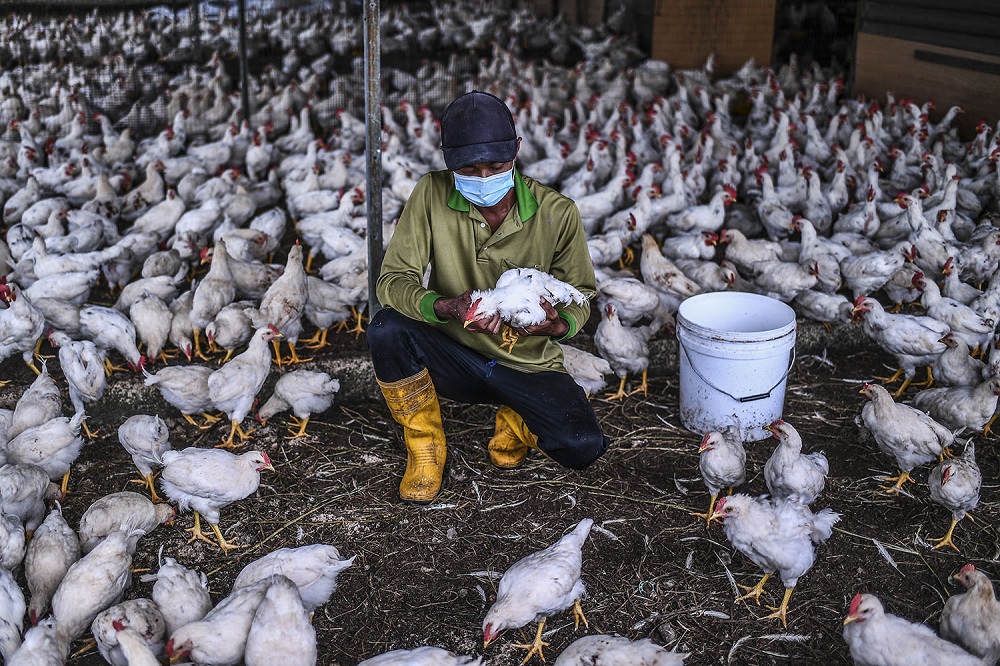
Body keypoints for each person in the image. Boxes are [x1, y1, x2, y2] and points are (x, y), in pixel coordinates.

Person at [367, 90, 610, 503]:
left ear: (516, 151)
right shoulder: (430, 194)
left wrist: (556, 324)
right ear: (448, 161)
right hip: (455, 353)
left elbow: (582, 296)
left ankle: (516, 419)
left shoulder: (558, 213)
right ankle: (424, 446)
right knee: (386, 329)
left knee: (582, 444)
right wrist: (444, 306)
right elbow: (392, 280)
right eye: (469, 168)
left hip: (528, 363)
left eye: (495, 167)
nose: (483, 179)